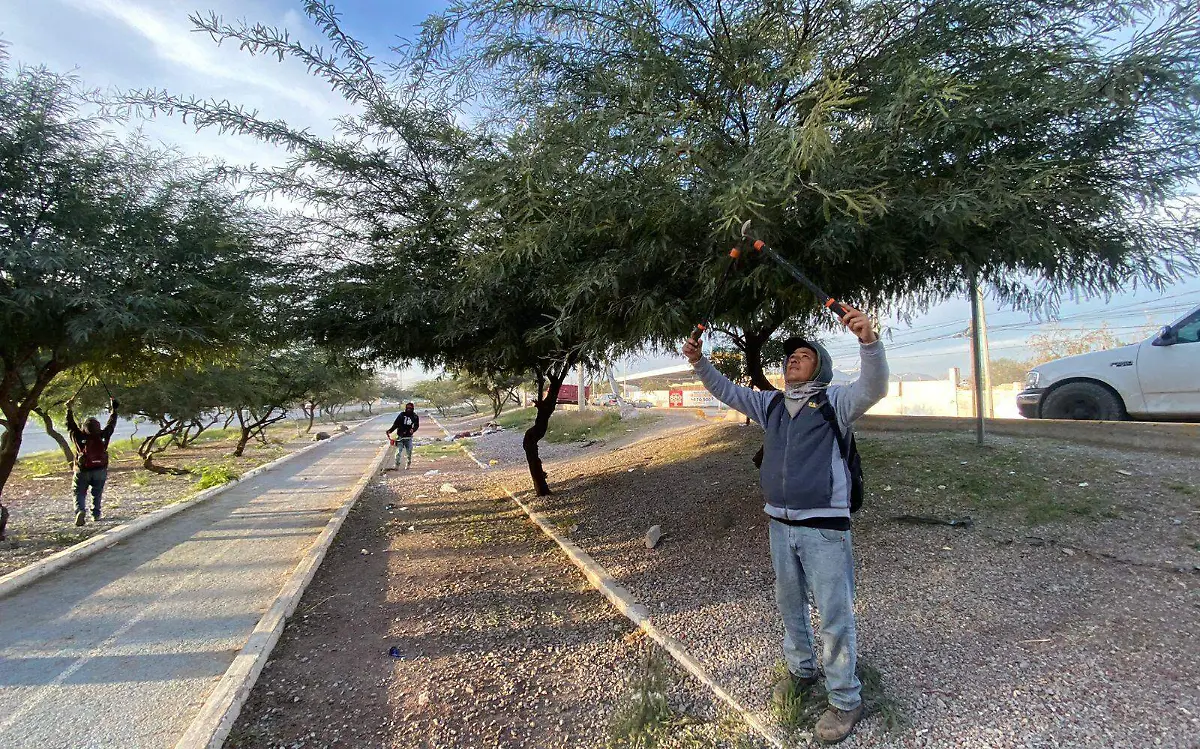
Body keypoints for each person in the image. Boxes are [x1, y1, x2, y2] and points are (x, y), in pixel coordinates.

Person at [682, 305, 888, 744]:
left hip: (825, 528)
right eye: (789, 356)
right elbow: (725, 390)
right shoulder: (770, 403)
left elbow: (875, 385)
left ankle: (846, 700)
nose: (793, 358)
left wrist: (869, 342)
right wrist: (700, 362)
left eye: (804, 355)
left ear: (821, 367)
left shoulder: (837, 402)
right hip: (779, 524)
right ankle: (802, 671)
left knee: (833, 614)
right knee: (790, 606)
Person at [66, 397, 119, 527]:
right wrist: (114, 410)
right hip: (100, 468)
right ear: (98, 427)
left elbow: (70, 425)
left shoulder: (78, 436)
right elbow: (111, 424)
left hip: (82, 469)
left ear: (84, 428)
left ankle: (80, 511)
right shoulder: (103, 435)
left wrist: (69, 409)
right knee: (97, 492)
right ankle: (95, 514)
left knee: (79, 492)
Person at [386, 403, 420, 470]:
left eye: (410, 408)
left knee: (409, 451)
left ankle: (408, 463)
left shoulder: (415, 416)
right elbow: (396, 424)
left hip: (408, 437)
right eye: (407, 408)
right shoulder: (401, 415)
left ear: (413, 409)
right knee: (398, 452)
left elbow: (416, 425)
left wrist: (413, 430)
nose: (409, 410)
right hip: (400, 437)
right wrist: (390, 430)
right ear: (405, 408)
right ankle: (397, 465)